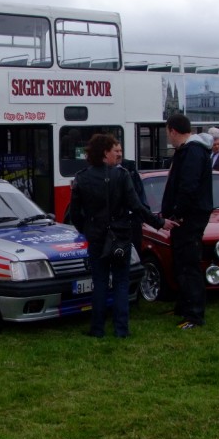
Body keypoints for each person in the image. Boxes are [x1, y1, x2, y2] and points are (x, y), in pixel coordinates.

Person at [69, 133, 173, 338]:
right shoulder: (122, 175)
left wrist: (86, 230)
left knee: (99, 282)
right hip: (120, 235)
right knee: (121, 282)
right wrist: (159, 223)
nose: (118, 155)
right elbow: (137, 206)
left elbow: (75, 213)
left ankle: (97, 328)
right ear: (105, 153)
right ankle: (121, 329)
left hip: (96, 236)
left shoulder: (82, 177)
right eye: (114, 151)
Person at [161, 114, 214, 330]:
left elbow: (188, 185)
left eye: (167, 133)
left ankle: (194, 314)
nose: (168, 138)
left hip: (189, 217)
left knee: (189, 264)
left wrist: (177, 213)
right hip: (187, 215)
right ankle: (182, 306)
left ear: (173, 130)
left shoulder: (193, 151)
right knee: (180, 262)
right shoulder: (188, 151)